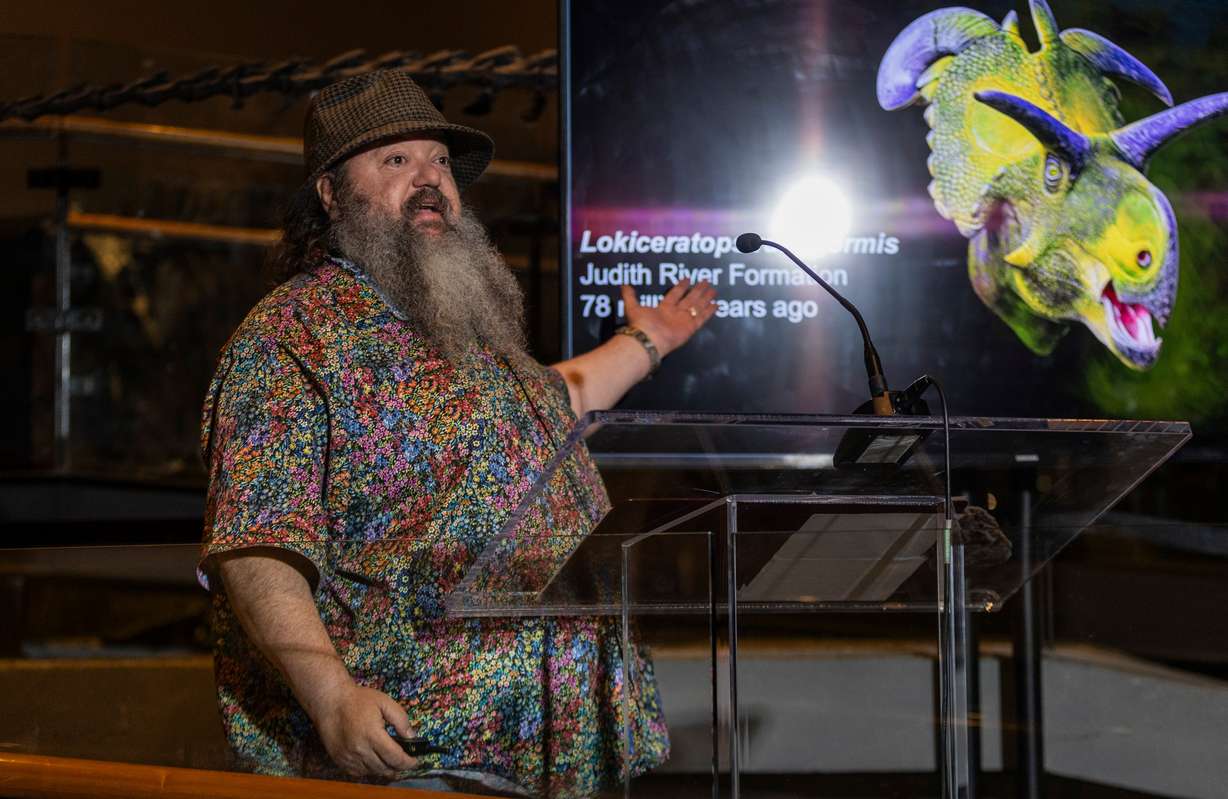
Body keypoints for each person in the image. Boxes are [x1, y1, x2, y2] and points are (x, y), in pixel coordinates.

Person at [197, 69, 716, 798]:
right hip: (419, 753)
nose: (430, 179)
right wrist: (333, 696)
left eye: (439, 160)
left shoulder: (459, 329)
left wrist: (647, 340)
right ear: (330, 194)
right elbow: (256, 544)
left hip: (549, 751)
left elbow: (552, 407)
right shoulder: (291, 339)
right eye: (396, 160)